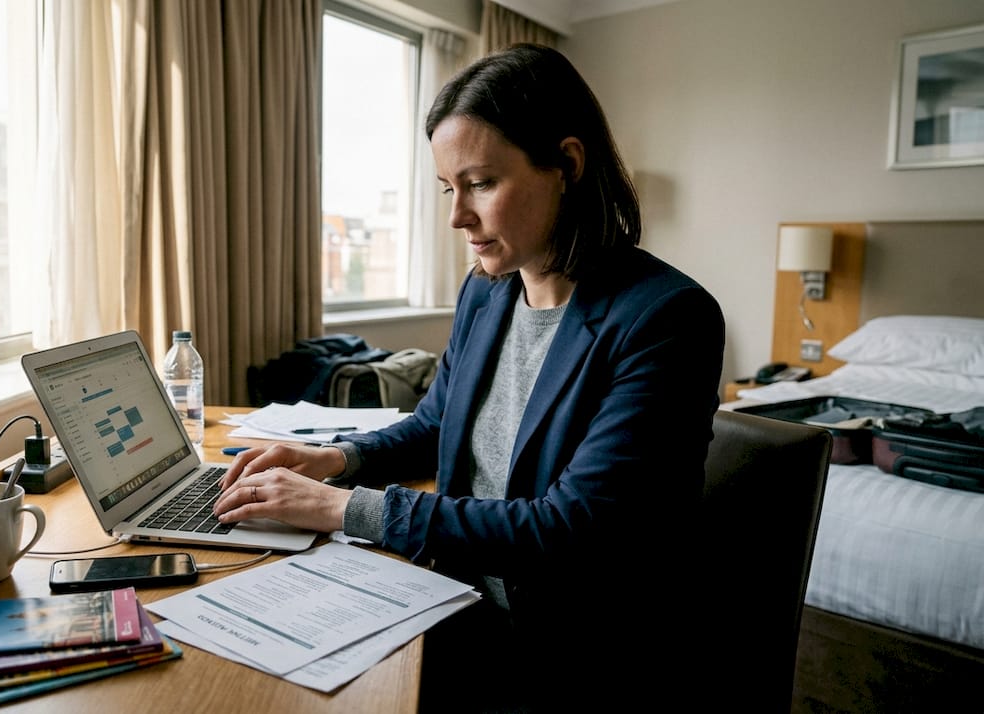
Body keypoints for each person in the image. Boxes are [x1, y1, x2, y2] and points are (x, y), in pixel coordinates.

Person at [216, 43, 725, 712]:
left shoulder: (666, 319)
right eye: (448, 189)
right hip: (451, 600)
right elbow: (435, 428)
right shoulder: (489, 293)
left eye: (480, 183)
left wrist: (344, 508)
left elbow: (570, 530)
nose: (457, 215)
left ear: (567, 165)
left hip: (569, 651)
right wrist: (336, 460)